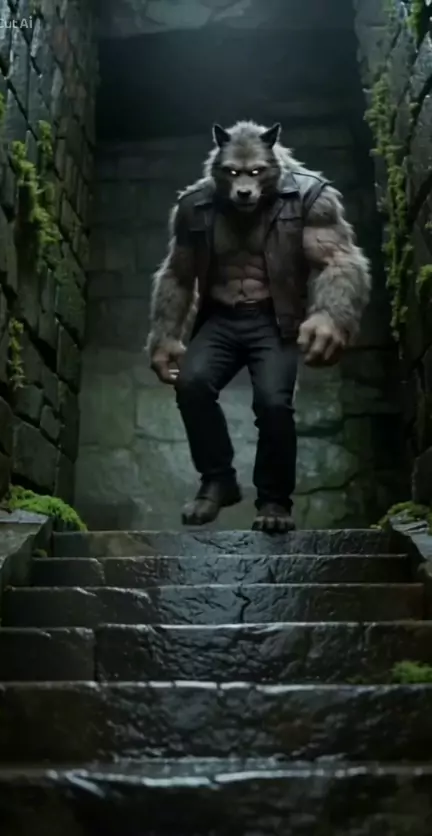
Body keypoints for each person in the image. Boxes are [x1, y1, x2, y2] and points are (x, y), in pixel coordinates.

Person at [146, 121, 371, 532]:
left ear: (272, 163)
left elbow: (340, 260)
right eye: (234, 173)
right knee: (191, 384)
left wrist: (332, 314)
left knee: (273, 404)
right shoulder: (195, 206)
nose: (245, 186)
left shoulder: (309, 196)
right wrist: (164, 336)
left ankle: (274, 502)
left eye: (255, 173)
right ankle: (218, 480)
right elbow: (177, 274)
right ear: (219, 167)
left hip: (274, 318)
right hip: (220, 317)